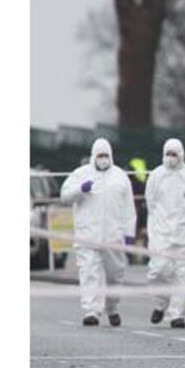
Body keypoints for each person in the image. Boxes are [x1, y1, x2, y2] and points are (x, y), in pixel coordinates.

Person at [59, 138, 136, 327]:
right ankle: (91, 311)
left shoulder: (120, 177)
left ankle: (113, 308)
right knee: (89, 273)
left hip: (113, 237)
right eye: (100, 155)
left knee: (115, 275)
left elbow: (129, 208)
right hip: (87, 236)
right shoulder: (81, 174)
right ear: (94, 156)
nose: (103, 159)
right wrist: (80, 189)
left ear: (111, 156)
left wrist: (129, 233)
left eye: (106, 155)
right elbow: (64, 196)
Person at [145, 138, 185, 328]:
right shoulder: (156, 176)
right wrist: (160, 224)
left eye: (174, 154)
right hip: (161, 233)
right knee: (158, 270)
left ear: (181, 154)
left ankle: (177, 314)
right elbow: (151, 204)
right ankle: (160, 303)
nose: (171, 158)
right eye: (168, 154)